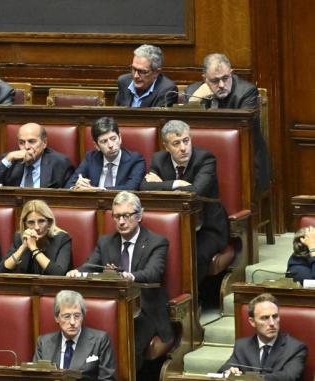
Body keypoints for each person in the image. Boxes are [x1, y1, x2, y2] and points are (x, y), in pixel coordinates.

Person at [67, 191, 173, 371]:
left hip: (144, 310)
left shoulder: (157, 242)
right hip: (111, 309)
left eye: (126, 216)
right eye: (117, 216)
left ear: (139, 216)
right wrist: (76, 273)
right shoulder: (106, 242)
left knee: (126, 347)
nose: (121, 222)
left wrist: (131, 276)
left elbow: (153, 273)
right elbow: (91, 266)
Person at [140, 120, 228, 285]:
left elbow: (195, 192)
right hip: (172, 227)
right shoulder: (159, 159)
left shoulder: (205, 159)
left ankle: (192, 298)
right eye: (176, 143)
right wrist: (176, 183)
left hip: (208, 228)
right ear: (166, 146)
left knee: (192, 254)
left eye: (186, 141)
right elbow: (144, 186)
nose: (183, 147)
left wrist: (160, 184)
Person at [185, 53, 271, 193]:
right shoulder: (193, 92)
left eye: (225, 78)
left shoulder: (246, 92)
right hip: (206, 159)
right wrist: (194, 101)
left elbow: (239, 131)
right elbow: (185, 129)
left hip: (244, 161)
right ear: (205, 79)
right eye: (215, 81)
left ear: (231, 73)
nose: (222, 85)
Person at [219, 293, 307, 380]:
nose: (272, 323)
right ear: (252, 322)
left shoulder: (295, 348)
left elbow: (289, 377)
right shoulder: (242, 346)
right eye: (265, 318)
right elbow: (224, 369)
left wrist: (248, 378)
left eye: (275, 316)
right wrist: (229, 371)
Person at [33, 290, 116, 381]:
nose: (72, 322)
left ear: (83, 316)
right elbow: (36, 378)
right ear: (57, 318)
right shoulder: (43, 343)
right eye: (67, 316)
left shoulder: (101, 340)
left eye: (77, 316)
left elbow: (107, 379)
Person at [0, 123, 74, 188]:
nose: (26, 147)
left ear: (44, 143)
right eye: (21, 143)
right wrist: (8, 158)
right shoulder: (11, 160)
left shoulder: (60, 163)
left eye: (32, 141)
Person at [65, 117, 145, 190]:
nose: (110, 145)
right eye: (104, 141)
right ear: (96, 146)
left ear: (120, 138)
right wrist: (77, 186)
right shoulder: (90, 158)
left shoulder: (136, 160)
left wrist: (97, 190)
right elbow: (69, 185)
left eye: (113, 139)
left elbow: (131, 188)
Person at [0, 200, 72, 275]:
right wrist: (23, 247)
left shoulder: (62, 239)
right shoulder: (19, 238)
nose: (37, 227)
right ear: (25, 225)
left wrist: (34, 248)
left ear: (49, 222)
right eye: (31, 222)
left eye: (41, 221)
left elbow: (59, 273)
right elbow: (0, 272)